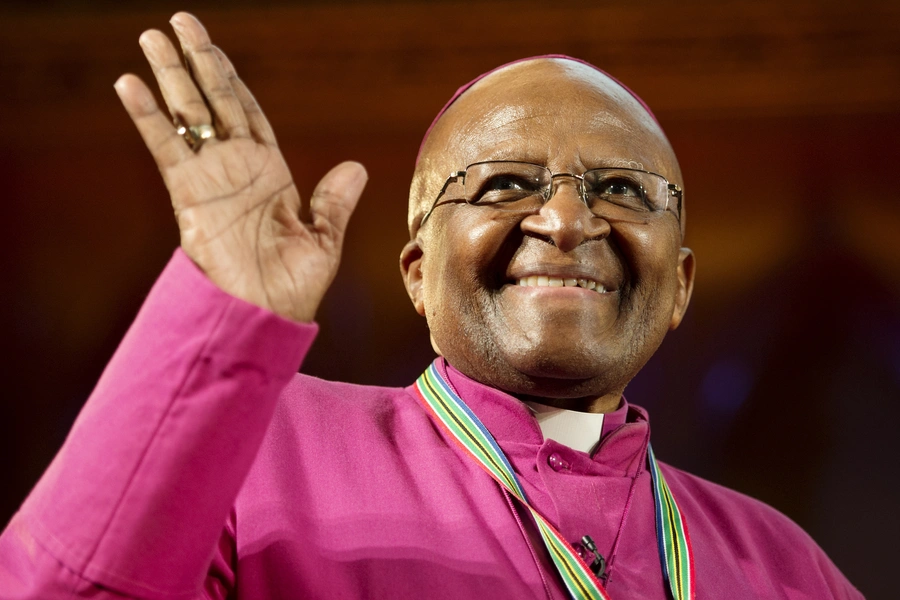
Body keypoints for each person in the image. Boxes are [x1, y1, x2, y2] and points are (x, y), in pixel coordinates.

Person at [0, 12, 861, 600]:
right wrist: (221, 314)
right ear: (416, 271)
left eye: (622, 188)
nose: (565, 219)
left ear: (679, 286)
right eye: (507, 184)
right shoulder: (252, 447)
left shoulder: (783, 564)